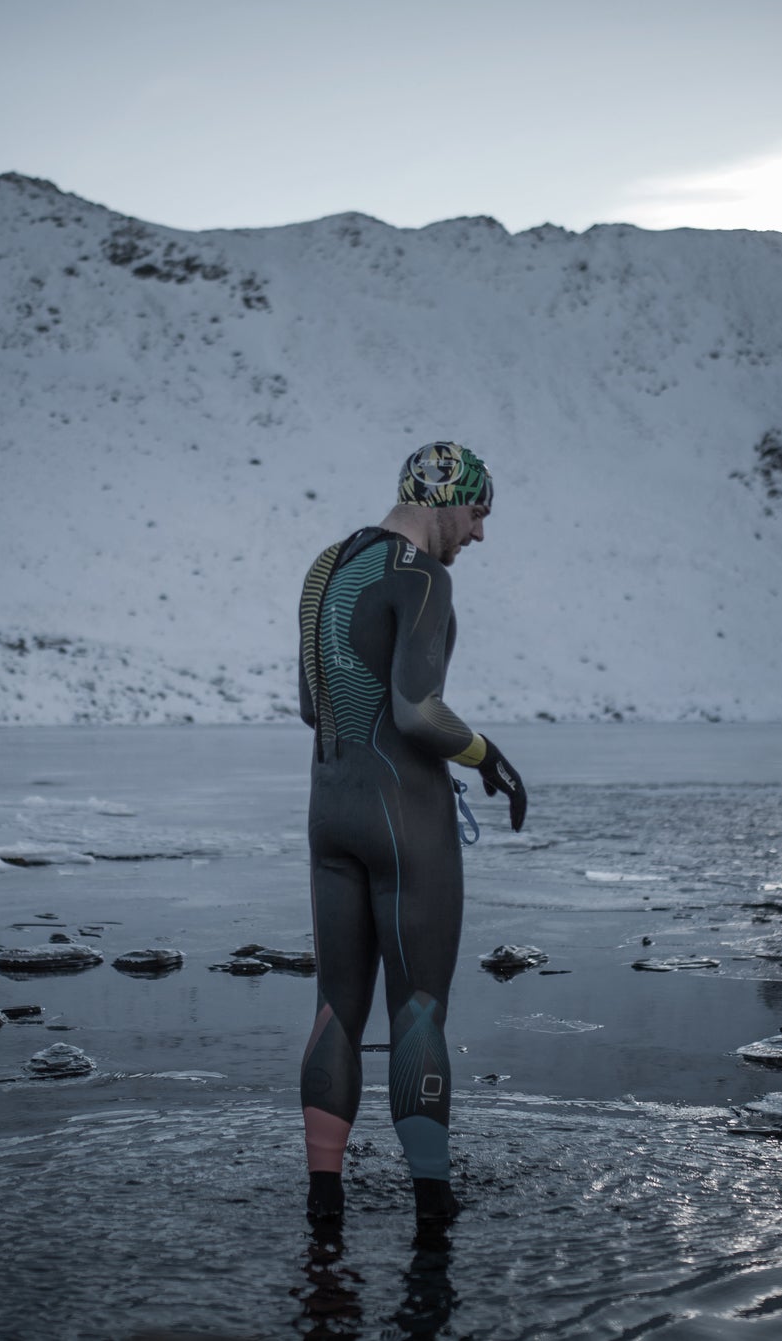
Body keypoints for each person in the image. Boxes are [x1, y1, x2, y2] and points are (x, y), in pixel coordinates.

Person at [294, 440, 528, 1224]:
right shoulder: (421, 578)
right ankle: (434, 1205)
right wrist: (489, 756)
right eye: (477, 513)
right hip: (405, 819)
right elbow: (417, 710)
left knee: (335, 1008)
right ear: (444, 500)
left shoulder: (325, 569)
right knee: (419, 1010)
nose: (479, 536)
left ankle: (323, 1198)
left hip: (330, 812)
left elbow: (310, 705)